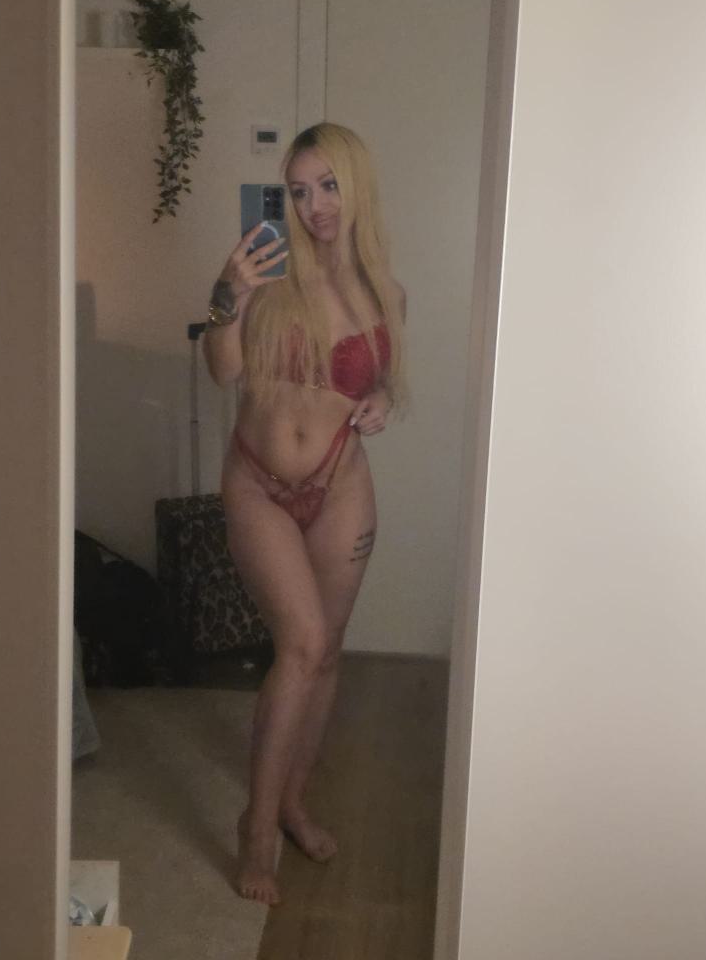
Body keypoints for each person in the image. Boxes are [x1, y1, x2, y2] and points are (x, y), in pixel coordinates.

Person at [203, 122, 406, 906]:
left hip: (340, 483)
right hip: (259, 485)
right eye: (298, 190)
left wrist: (381, 398)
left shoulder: (381, 289)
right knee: (303, 644)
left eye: (327, 186)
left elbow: (382, 380)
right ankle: (256, 828)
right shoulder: (267, 273)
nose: (314, 205)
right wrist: (229, 296)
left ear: (356, 186)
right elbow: (222, 371)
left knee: (328, 653)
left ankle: (292, 800)